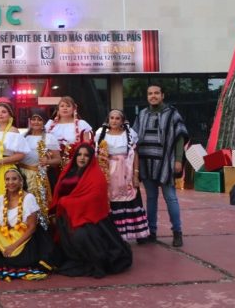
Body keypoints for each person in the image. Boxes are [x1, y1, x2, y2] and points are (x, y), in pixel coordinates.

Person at [51, 143, 133, 278]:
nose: (82, 158)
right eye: (79, 155)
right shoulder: (68, 170)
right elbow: (59, 190)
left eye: (86, 155)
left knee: (81, 235)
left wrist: (66, 202)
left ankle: (95, 262)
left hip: (88, 217)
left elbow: (94, 198)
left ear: (91, 158)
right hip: (66, 215)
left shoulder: (96, 175)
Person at [0, 168, 53, 281]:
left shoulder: (28, 198)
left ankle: (7, 262)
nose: (11, 182)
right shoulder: (2, 199)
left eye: (14, 179)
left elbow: (32, 228)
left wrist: (14, 246)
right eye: (7, 179)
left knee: (10, 251)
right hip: (6, 232)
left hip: (22, 235)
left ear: (21, 181)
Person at [132, 85, 189, 247]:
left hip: (166, 164)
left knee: (171, 198)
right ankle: (151, 232)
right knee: (150, 199)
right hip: (146, 163)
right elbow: (133, 138)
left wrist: (178, 159)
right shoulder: (141, 114)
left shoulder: (172, 114)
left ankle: (177, 232)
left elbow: (180, 137)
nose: (153, 96)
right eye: (150, 93)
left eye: (156, 93)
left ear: (162, 95)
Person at [94, 110, 151, 243]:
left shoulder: (129, 134)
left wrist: (136, 175)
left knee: (131, 199)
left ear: (122, 120)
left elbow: (135, 154)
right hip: (109, 172)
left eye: (117, 118)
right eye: (111, 118)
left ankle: (138, 232)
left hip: (126, 172)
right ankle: (114, 235)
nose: (114, 121)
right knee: (112, 201)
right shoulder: (100, 134)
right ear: (108, 120)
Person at [22, 112, 61, 227]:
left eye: (39, 120)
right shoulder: (23, 137)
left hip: (41, 177)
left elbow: (58, 160)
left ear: (44, 122)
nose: (36, 122)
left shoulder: (49, 138)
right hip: (23, 176)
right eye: (33, 119)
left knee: (40, 205)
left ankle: (41, 228)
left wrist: (47, 161)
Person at [45, 96, 93, 184]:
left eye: (68, 106)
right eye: (62, 106)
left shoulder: (81, 124)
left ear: (74, 108)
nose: (65, 108)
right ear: (58, 109)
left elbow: (87, 147)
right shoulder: (50, 125)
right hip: (53, 164)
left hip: (74, 163)